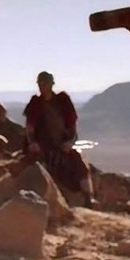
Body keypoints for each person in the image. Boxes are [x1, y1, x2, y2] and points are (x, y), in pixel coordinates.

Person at [17, 71, 94, 205]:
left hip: (61, 145)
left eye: (45, 83)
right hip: (41, 146)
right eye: (40, 83)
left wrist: (69, 143)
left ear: (52, 84)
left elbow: (72, 127)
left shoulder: (63, 101)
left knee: (78, 163)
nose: (42, 86)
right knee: (34, 164)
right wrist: (33, 143)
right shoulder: (35, 103)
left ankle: (88, 198)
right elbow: (29, 128)